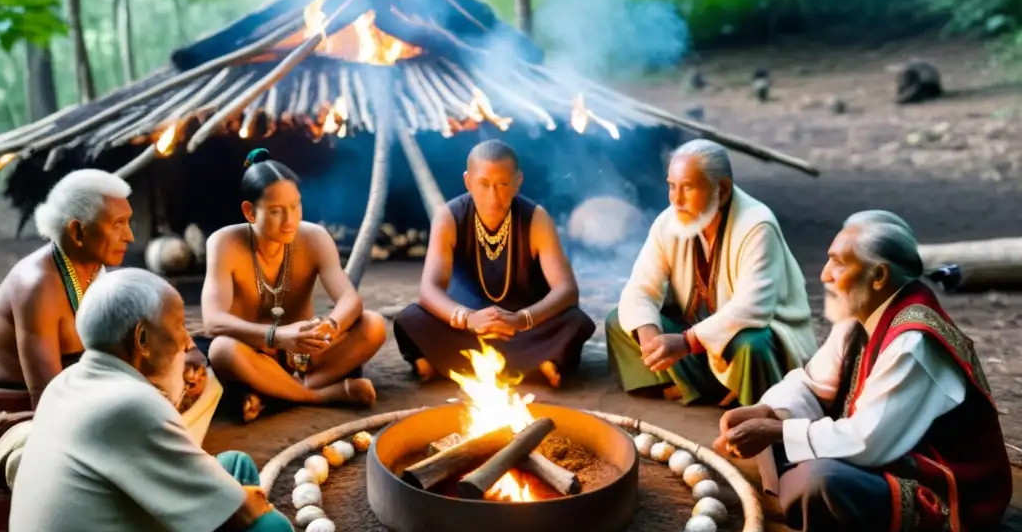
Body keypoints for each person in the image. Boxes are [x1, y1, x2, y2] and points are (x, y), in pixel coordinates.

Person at [0, 268, 295, 532]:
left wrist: (232, 497)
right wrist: (245, 503)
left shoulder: (70, 381)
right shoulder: (129, 404)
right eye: (177, 327)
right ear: (141, 340)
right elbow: (247, 512)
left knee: (235, 464)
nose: (190, 342)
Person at [714, 211, 1012, 532]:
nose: (824, 275)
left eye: (838, 263)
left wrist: (777, 431)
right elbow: (814, 384)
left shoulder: (914, 342)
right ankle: (812, 504)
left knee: (821, 481)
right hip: (878, 449)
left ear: (879, 275)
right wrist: (766, 411)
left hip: (937, 480)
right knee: (783, 444)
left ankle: (817, 507)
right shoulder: (861, 312)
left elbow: (869, 442)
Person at [0, 171, 221, 532]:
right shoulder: (37, 286)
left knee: (204, 384)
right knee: (46, 455)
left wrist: (191, 356)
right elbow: (52, 404)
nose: (131, 236)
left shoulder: (97, 273)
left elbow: (154, 335)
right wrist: (137, 407)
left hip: (86, 392)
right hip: (25, 417)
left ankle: (140, 471)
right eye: (118, 224)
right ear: (78, 231)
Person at [605, 139, 817, 408]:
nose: (676, 199)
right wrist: (651, 340)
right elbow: (640, 290)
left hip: (745, 346)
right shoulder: (669, 221)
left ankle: (749, 399)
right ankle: (702, 387)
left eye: (688, 188)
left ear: (723, 190)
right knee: (621, 321)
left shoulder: (757, 224)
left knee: (752, 342)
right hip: (698, 341)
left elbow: (752, 308)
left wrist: (685, 342)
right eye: (672, 186)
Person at [200, 149, 386, 421]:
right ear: (249, 211)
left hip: (308, 356)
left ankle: (277, 394)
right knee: (221, 350)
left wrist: (330, 327)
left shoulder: (314, 237)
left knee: (374, 325)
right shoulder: (224, 243)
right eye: (276, 211)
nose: (290, 220)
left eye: (295, 206)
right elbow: (213, 321)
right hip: (255, 355)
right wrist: (278, 336)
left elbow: (349, 299)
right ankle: (322, 395)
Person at [394, 140, 595, 387]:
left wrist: (521, 319)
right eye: (484, 184)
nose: (493, 196)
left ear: (517, 181)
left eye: (502, 184)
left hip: (524, 330)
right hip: (467, 329)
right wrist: (470, 319)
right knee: (410, 319)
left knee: (575, 321)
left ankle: (446, 364)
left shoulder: (536, 220)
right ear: (468, 182)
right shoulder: (449, 217)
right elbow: (429, 290)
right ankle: (536, 365)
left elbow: (566, 290)